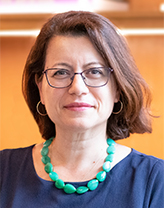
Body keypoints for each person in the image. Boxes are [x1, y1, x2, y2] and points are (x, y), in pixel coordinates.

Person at [0, 11, 164, 208]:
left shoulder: (154, 180)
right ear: (40, 89)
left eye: (95, 71)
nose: (77, 87)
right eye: (60, 72)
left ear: (118, 89)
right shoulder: (4, 171)